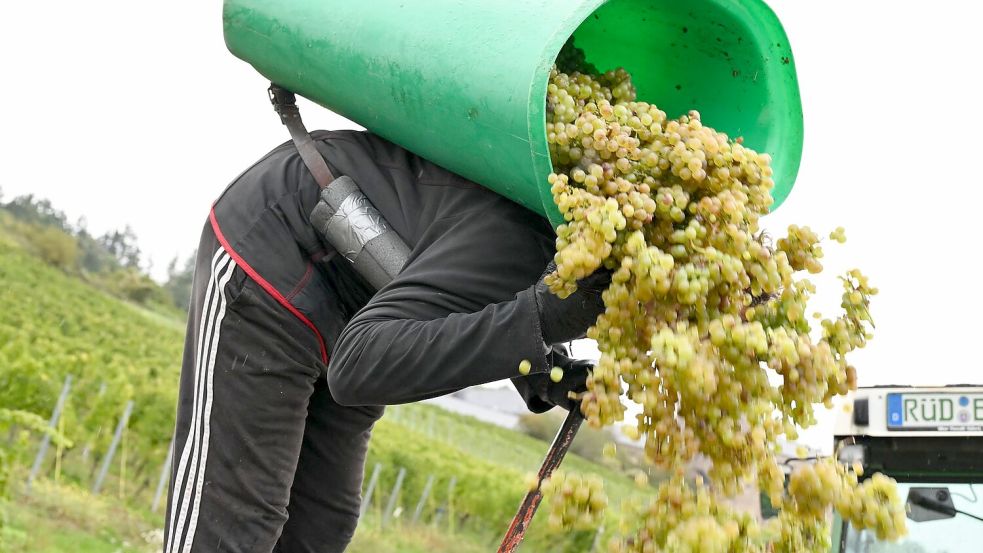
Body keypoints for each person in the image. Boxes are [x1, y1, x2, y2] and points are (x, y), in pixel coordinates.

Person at [161, 129, 609, 553]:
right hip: (277, 253)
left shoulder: (547, 246)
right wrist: (538, 321)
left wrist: (539, 363)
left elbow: (462, 292)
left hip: (364, 303)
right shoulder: (520, 239)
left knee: (320, 523)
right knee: (236, 526)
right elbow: (356, 370)